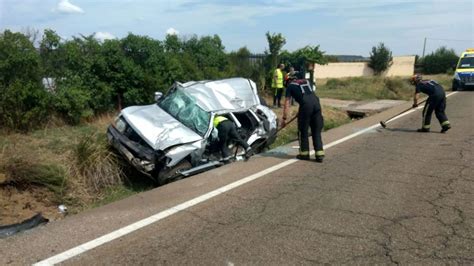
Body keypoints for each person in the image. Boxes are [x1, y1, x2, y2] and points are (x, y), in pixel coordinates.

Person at [281, 72, 325, 162]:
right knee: (316, 130)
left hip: (306, 106)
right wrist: (302, 111)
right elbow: (309, 97)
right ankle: (319, 154)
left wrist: (284, 119)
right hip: (316, 104)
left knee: (303, 130)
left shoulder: (290, 87)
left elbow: (287, 104)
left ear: (288, 81)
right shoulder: (306, 81)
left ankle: (304, 154)